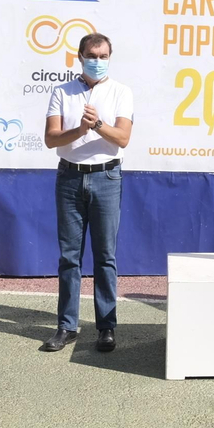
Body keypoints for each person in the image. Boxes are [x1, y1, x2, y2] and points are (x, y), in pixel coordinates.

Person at [42, 33, 134, 353]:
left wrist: (96, 126)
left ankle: (106, 327)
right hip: (69, 177)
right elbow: (51, 139)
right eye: (91, 54)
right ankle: (67, 326)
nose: (97, 60)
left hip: (107, 177)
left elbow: (122, 138)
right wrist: (79, 130)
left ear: (110, 57)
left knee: (105, 256)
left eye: (103, 55)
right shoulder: (61, 92)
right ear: (79, 56)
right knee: (70, 258)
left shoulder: (121, 92)